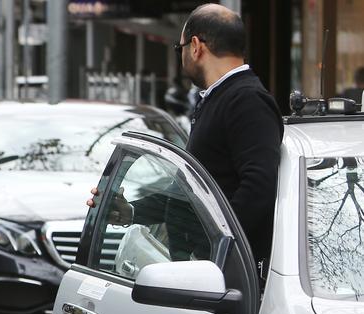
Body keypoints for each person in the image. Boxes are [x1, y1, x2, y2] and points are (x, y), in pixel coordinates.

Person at [89, 3, 283, 271]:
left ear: (195, 46)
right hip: (205, 272)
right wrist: (132, 211)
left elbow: (258, 188)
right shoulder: (220, 97)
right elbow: (189, 195)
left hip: (222, 277)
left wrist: (217, 248)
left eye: (178, 49)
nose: (181, 56)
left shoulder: (247, 100)